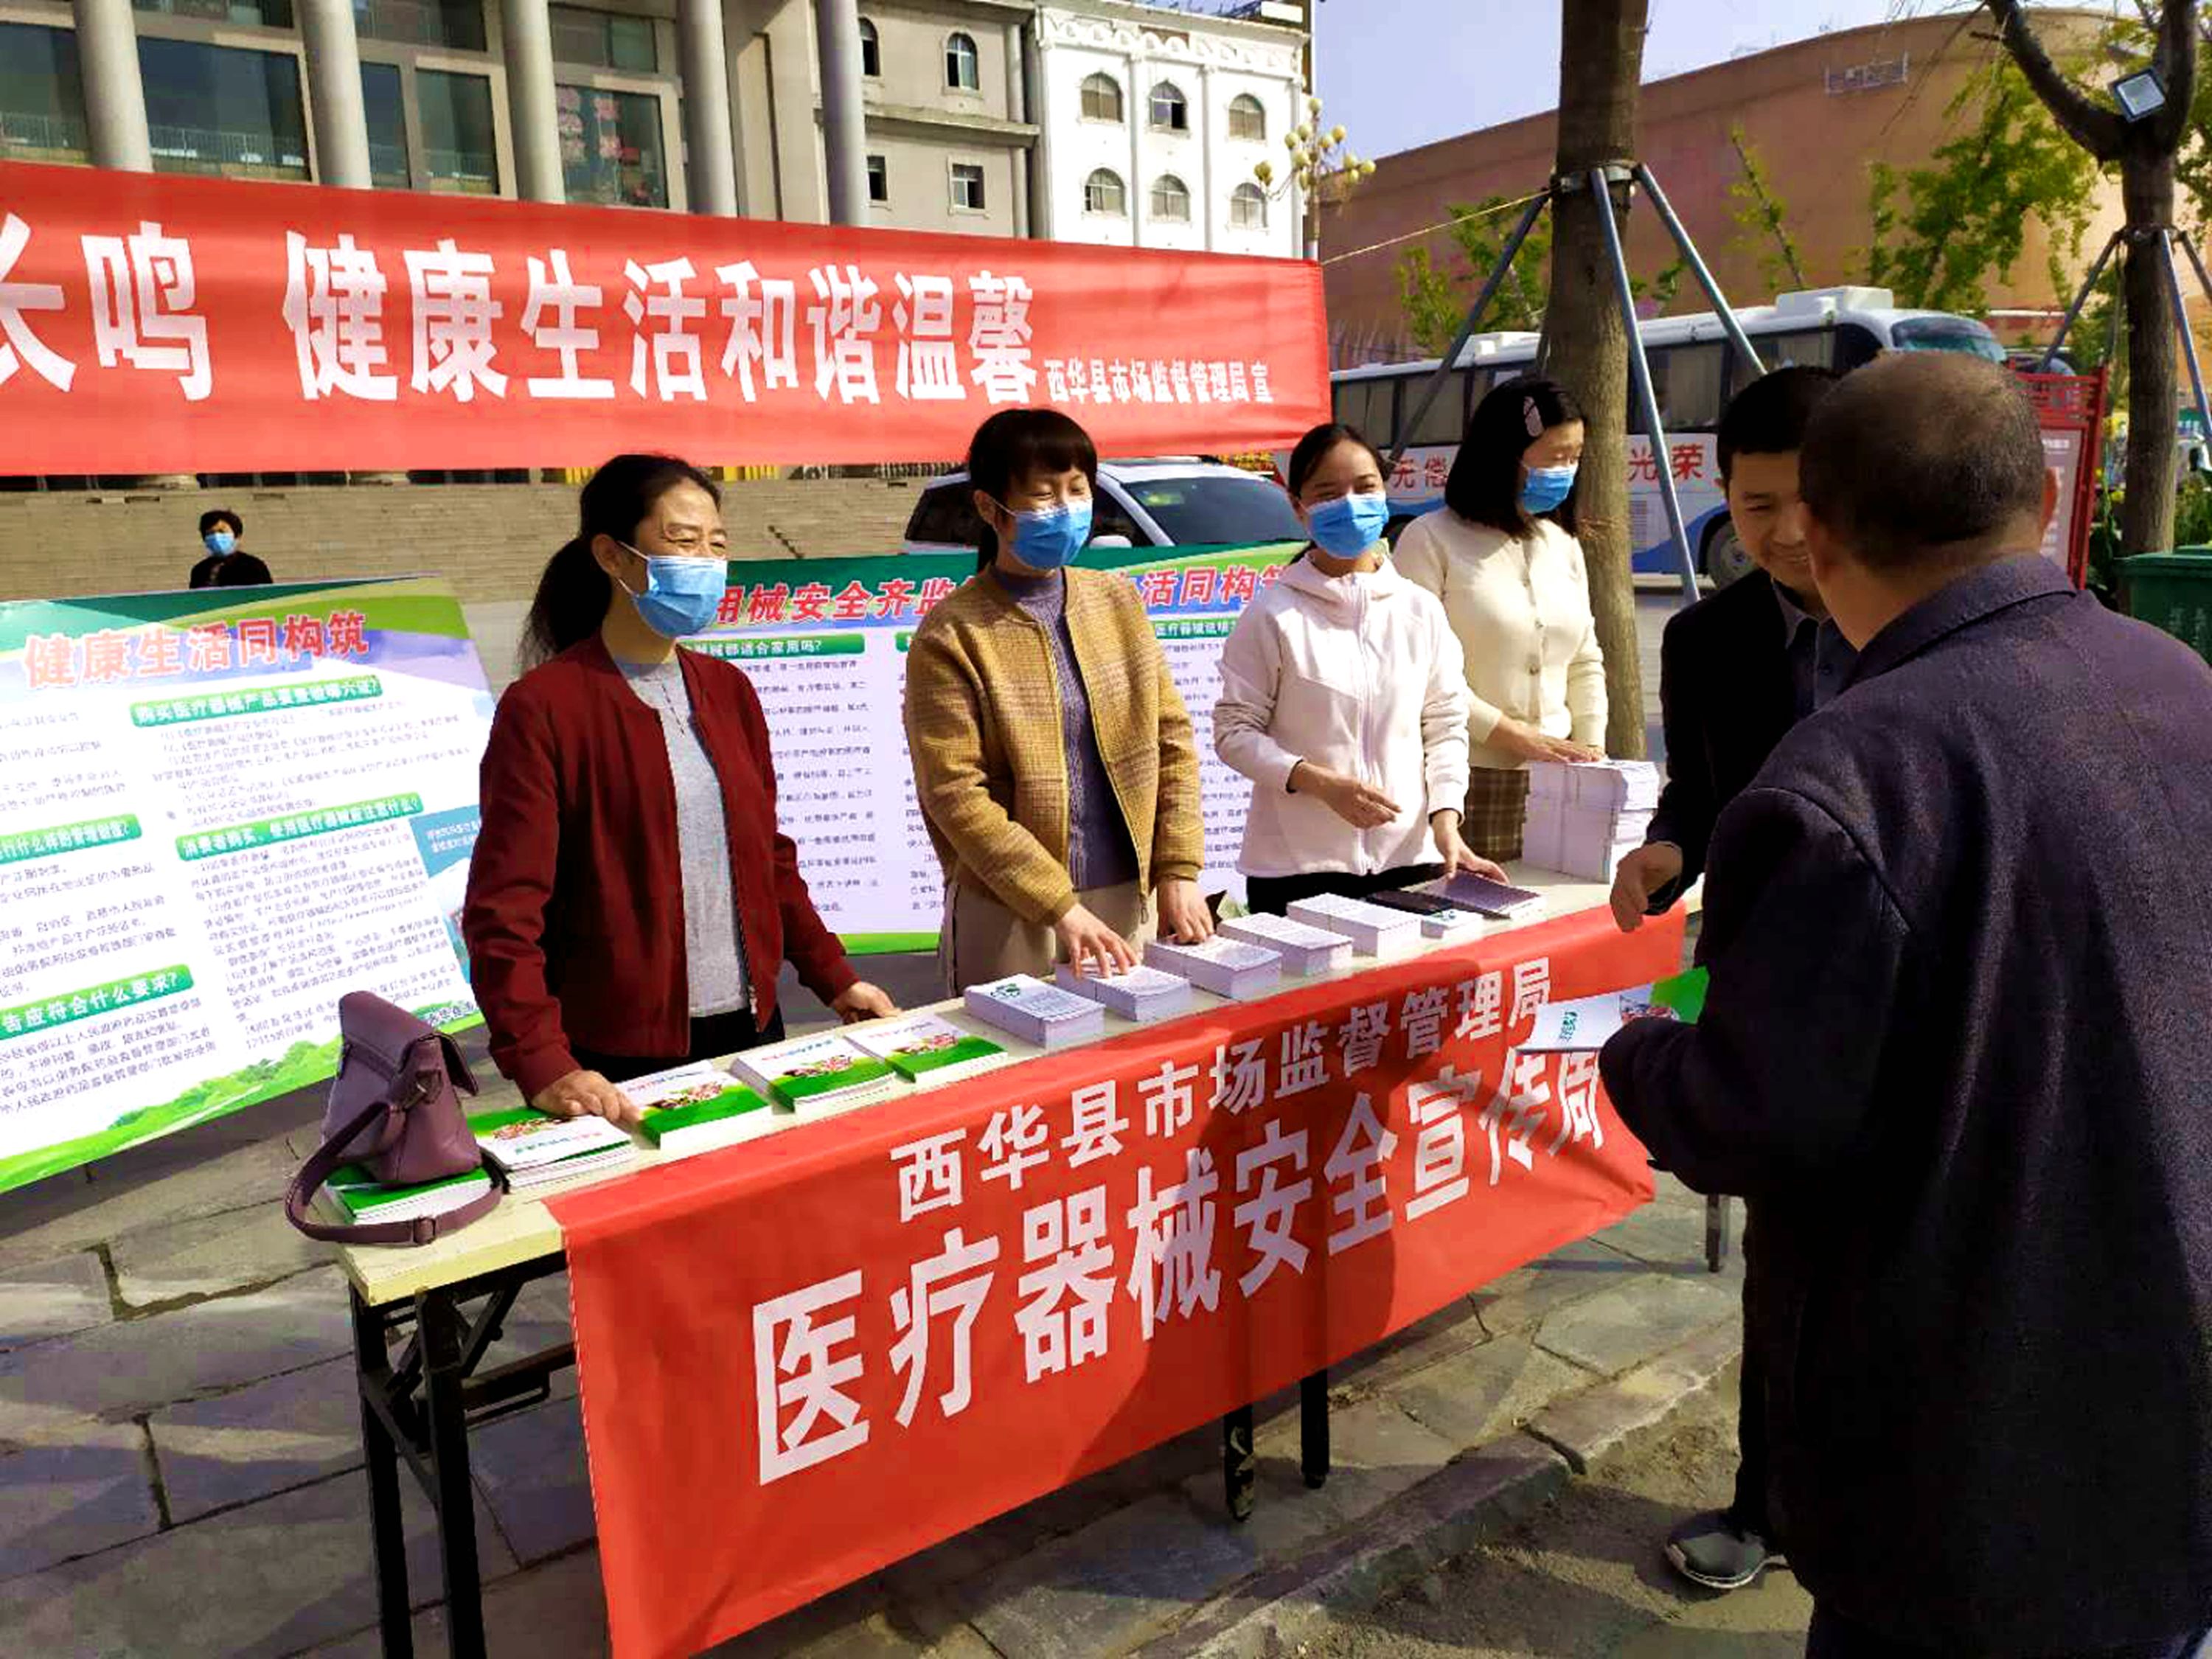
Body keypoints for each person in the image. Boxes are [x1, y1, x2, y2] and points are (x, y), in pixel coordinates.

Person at [1600, 353, 2212, 1657]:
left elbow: (1751, 1120)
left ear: (1822, 540)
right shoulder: (2180, 681)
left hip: (1970, 1443)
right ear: (2040, 504)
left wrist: (1639, 1049)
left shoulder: (1853, 777)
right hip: (2172, 1390)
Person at [464, 455, 895, 1126]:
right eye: (683, 541)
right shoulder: (545, 708)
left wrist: (836, 977)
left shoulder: (729, 692)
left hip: (752, 1030)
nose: (707, 563)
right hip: (615, 1061)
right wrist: (541, 1060)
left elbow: (769, 861)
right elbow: (505, 910)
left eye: (717, 544)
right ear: (612, 555)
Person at [1606, 367, 1841, 1595]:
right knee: (1784, 1263)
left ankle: (1891, 1502)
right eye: (1758, 508)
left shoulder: (1926, 623)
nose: (1789, 533)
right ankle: (1769, 1504)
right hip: (1759, 989)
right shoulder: (1704, 640)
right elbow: (1699, 795)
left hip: (1912, 992)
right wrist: (1667, 849)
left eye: (1812, 499)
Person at [904, 408, 1211, 990]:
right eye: (1044, 496)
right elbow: (955, 794)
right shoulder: (952, 634)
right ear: (989, 508)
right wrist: (1059, 906)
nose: (1066, 509)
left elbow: (1171, 741)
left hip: (1127, 896)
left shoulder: (1117, 601)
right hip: (1010, 912)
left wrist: (1178, 867)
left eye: (1078, 490)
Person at [1214, 421, 1506, 917]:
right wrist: (1317, 782)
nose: (1350, 505)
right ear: (1299, 508)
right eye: (1328, 494)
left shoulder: (1419, 610)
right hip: (1296, 869)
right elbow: (1234, 734)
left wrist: (1445, 820)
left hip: (1412, 861)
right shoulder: (1273, 614)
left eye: (1365, 487)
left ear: (1385, 493)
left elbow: (1445, 725)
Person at [1392, 375, 1606, 863]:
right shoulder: (1430, 540)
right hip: (1464, 776)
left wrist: (1590, 748)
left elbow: (1585, 658)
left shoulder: (1563, 544)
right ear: (1503, 456)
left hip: (1561, 776)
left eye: (1575, 457)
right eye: (1555, 457)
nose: (1566, 471)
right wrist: (1513, 736)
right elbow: (1420, 672)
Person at [188, 509, 273, 588]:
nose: (216, 536)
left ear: (237, 536)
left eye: (222, 531)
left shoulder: (254, 566)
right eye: (210, 533)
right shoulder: (199, 570)